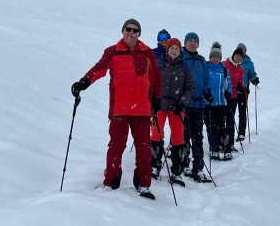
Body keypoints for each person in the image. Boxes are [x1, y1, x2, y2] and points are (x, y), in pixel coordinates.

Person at [70, 18, 162, 199]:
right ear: (123, 31)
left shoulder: (147, 53)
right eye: (128, 29)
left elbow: (156, 78)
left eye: (136, 31)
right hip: (119, 109)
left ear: (139, 34)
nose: (132, 33)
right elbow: (99, 68)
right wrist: (84, 82)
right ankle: (111, 181)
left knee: (144, 147)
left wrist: (157, 98)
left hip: (142, 109)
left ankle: (143, 184)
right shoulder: (113, 52)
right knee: (116, 146)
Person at [150, 38, 193, 185]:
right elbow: (152, 82)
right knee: (156, 134)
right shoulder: (160, 64)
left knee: (178, 137)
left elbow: (189, 87)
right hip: (160, 105)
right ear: (167, 50)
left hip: (176, 107)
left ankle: (177, 169)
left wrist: (182, 103)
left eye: (176, 48)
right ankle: (154, 165)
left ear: (180, 50)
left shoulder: (185, 67)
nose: (174, 51)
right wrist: (154, 99)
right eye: (171, 48)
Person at [181, 32, 214, 182]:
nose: (192, 43)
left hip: (199, 103)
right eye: (190, 41)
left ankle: (198, 167)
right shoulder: (181, 58)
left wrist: (208, 92)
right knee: (184, 135)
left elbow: (206, 79)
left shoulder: (201, 60)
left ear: (198, 44)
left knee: (198, 136)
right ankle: (184, 164)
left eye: (195, 41)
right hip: (184, 103)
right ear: (185, 43)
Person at [204, 42, 232, 161]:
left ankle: (226, 148)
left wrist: (228, 92)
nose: (215, 58)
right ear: (210, 57)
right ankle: (214, 148)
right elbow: (202, 83)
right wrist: (206, 93)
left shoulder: (224, 71)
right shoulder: (205, 68)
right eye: (213, 56)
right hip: (207, 103)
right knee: (211, 127)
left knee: (222, 127)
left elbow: (229, 84)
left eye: (217, 57)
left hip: (220, 103)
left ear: (220, 58)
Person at [234, 43, 260, 141]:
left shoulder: (249, 63)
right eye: (239, 49)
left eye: (243, 50)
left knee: (242, 112)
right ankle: (229, 133)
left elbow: (252, 74)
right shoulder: (232, 60)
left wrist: (254, 79)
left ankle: (241, 133)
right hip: (231, 91)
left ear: (245, 52)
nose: (241, 51)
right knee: (229, 113)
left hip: (243, 91)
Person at [223, 47, 246, 152]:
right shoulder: (224, 64)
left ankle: (230, 143)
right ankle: (221, 142)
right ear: (233, 55)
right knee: (220, 120)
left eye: (240, 57)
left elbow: (240, 83)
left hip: (233, 97)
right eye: (237, 55)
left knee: (230, 121)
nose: (238, 58)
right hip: (222, 97)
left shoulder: (241, 70)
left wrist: (243, 88)